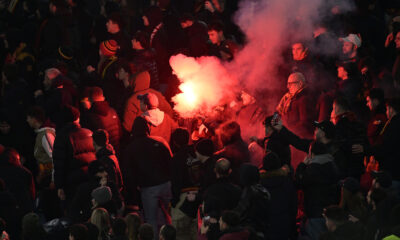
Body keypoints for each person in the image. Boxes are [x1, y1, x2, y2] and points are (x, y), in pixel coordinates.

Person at [123, 117, 172, 236]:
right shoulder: (158, 143)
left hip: (148, 188)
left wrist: (134, 192)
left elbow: (128, 173)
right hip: (165, 184)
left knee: (151, 220)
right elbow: (170, 163)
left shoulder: (130, 149)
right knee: (171, 214)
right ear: (147, 129)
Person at [295, 141, 340, 240]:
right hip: (330, 214)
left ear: (312, 153)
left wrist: (302, 165)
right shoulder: (332, 165)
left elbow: (298, 182)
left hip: (314, 213)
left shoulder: (313, 168)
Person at [53, 105, 96, 202]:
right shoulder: (88, 133)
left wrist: (59, 186)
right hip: (89, 178)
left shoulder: (62, 137)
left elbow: (59, 164)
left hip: (71, 184)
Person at [259, 152, 297, 240]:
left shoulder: (260, 185)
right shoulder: (287, 182)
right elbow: (293, 206)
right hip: (284, 225)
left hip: (266, 227)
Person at [80, 87, 122, 155]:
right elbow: (120, 133)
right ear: (102, 97)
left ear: (90, 99)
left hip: (101, 154)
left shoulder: (89, 117)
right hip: (116, 151)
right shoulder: (113, 111)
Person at [276, 72, 315, 138]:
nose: (287, 86)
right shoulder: (287, 97)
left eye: (290, 84)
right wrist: (274, 123)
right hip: (287, 135)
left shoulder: (303, 99)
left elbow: (304, 123)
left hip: (297, 138)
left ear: (300, 84)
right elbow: (277, 112)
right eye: (287, 84)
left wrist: (287, 130)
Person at [26, 106, 56, 185]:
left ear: (34, 119)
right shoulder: (41, 134)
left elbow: (54, 157)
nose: (27, 120)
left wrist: (53, 180)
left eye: (28, 118)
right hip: (45, 175)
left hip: (48, 177)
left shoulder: (46, 135)